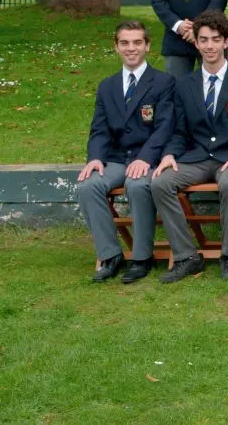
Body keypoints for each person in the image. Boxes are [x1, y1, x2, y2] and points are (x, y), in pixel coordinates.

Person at [151, 10, 228, 282]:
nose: (209, 45)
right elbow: (179, 130)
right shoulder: (184, 84)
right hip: (196, 157)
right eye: (203, 40)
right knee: (160, 182)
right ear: (196, 43)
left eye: (215, 39)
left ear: (226, 42)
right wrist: (169, 154)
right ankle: (188, 256)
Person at [76, 21, 174, 283]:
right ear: (116, 47)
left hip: (148, 158)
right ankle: (110, 255)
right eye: (125, 43)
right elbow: (99, 129)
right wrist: (95, 158)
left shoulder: (164, 82)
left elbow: (165, 127)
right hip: (117, 158)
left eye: (137, 43)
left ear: (147, 46)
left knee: (138, 184)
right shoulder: (107, 86)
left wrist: (145, 158)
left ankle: (142, 257)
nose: (131, 49)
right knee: (88, 185)